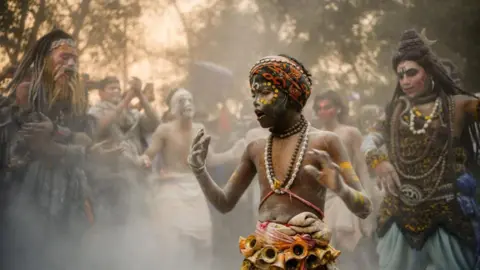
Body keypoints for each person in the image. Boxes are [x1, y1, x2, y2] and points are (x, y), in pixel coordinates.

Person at [188, 54, 372, 269]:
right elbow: (224, 203)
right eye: (254, 94)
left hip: (309, 259)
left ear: (290, 93)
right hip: (265, 258)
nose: (256, 101)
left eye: (264, 92)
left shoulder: (327, 141)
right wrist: (199, 170)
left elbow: (364, 207)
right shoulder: (255, 148)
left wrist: (341, 188)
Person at [362, 29, 480, 270]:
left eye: (411, 73)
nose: (405, 81)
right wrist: (379, 161)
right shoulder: (394, 111)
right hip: (400, 214)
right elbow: (369, 141)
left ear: (430, 72)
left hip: (448, 213)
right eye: (400, 75)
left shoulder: (458, 106)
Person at [0, 29, 100, 270]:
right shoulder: (23, 94)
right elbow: (32, 147)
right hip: (27, 198)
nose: (71, 64)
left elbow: (87, 142)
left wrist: (58, 135)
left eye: (75, 59)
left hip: (70, 196)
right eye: (63, 57)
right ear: (45, 59)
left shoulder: (74, 101)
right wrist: (72, 148)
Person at [141, 87, 244, 269]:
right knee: (172, 241)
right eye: (181, 101)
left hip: (194, 189)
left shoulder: (200, 129)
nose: (187, 104)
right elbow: (148, 155)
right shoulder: (164, 130)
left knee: (203, 239)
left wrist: (232, 153)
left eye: (189, 100)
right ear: (173, 107)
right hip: (170, 188)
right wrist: (139, 161)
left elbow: (209, 159)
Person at [313, 90, 377, 269]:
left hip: (348, 193)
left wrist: (366, 196)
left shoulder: (351, 133)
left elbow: (362, 168)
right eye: (319, 108)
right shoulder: (315, 136)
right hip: (325, 196)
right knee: (326, 250)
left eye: (327, 107)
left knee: (350, 244)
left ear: (338, 109)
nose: (322, 111)